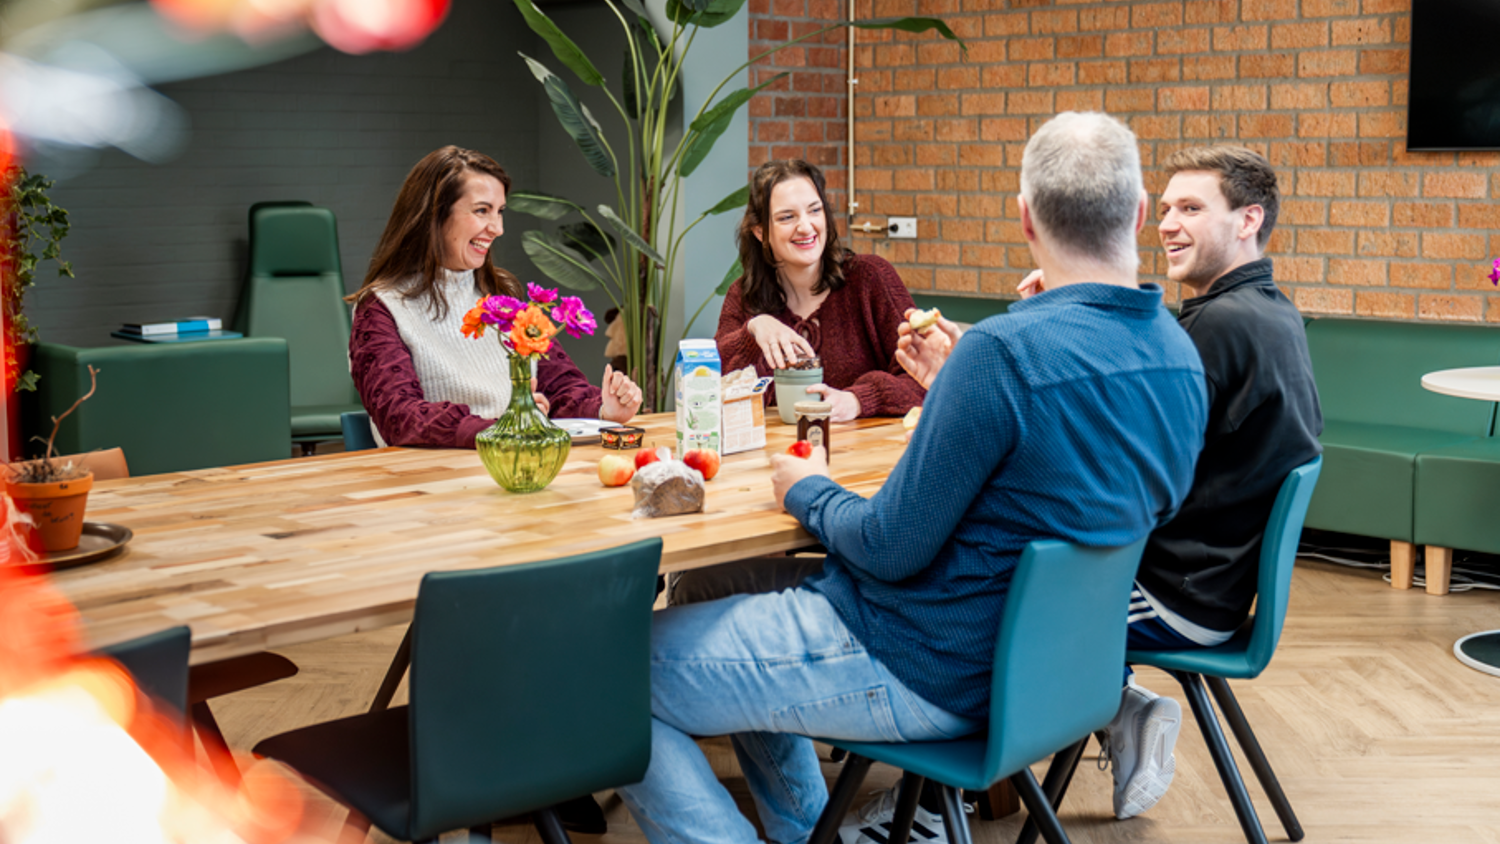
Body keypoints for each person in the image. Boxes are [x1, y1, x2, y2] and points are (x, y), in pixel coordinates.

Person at [616, 112, 1208, 844]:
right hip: (1050, 674)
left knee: (607, 669)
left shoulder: (1001, 355)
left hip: (921, 659)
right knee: (724, 594)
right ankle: (806, 830)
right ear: (1143, 213)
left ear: (1025, 219)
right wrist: (952, 390)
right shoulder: (1179, 354)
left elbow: (889, 547)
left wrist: (806, 486)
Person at [893, 145, 1323, 824]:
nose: (1170, 225)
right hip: (1207, 580)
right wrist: (1033, 329)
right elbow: (1101, 403)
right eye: (1168, 207)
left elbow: (1080, 439)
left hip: (1175, 589)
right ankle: (1121, 708)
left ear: (1249, 220)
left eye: (1192, 208)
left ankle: (927, 807)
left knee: (978, 604)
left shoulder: (1216, 328)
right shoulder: (1266, 314)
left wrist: (976, 374)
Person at [348, 145, 641, 449]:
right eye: (481, 211)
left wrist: (603, 408)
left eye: (500, 212)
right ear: (434, 215)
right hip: (433, 481)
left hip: (517, 467)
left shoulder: (504, 295)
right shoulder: (380, 308)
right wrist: (501, 428)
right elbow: (400, 417)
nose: (497, 228)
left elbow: (558, 384)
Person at [716, 159, 925, 422]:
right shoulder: (743, 296)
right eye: (787, 217)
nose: (806, 226)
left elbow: (926, 379)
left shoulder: (871, 279)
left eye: (814, 210)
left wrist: (859, 400)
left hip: (869, 458)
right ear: (760, 232)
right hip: (775, 458)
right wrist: (753, 330)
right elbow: (710, 389)